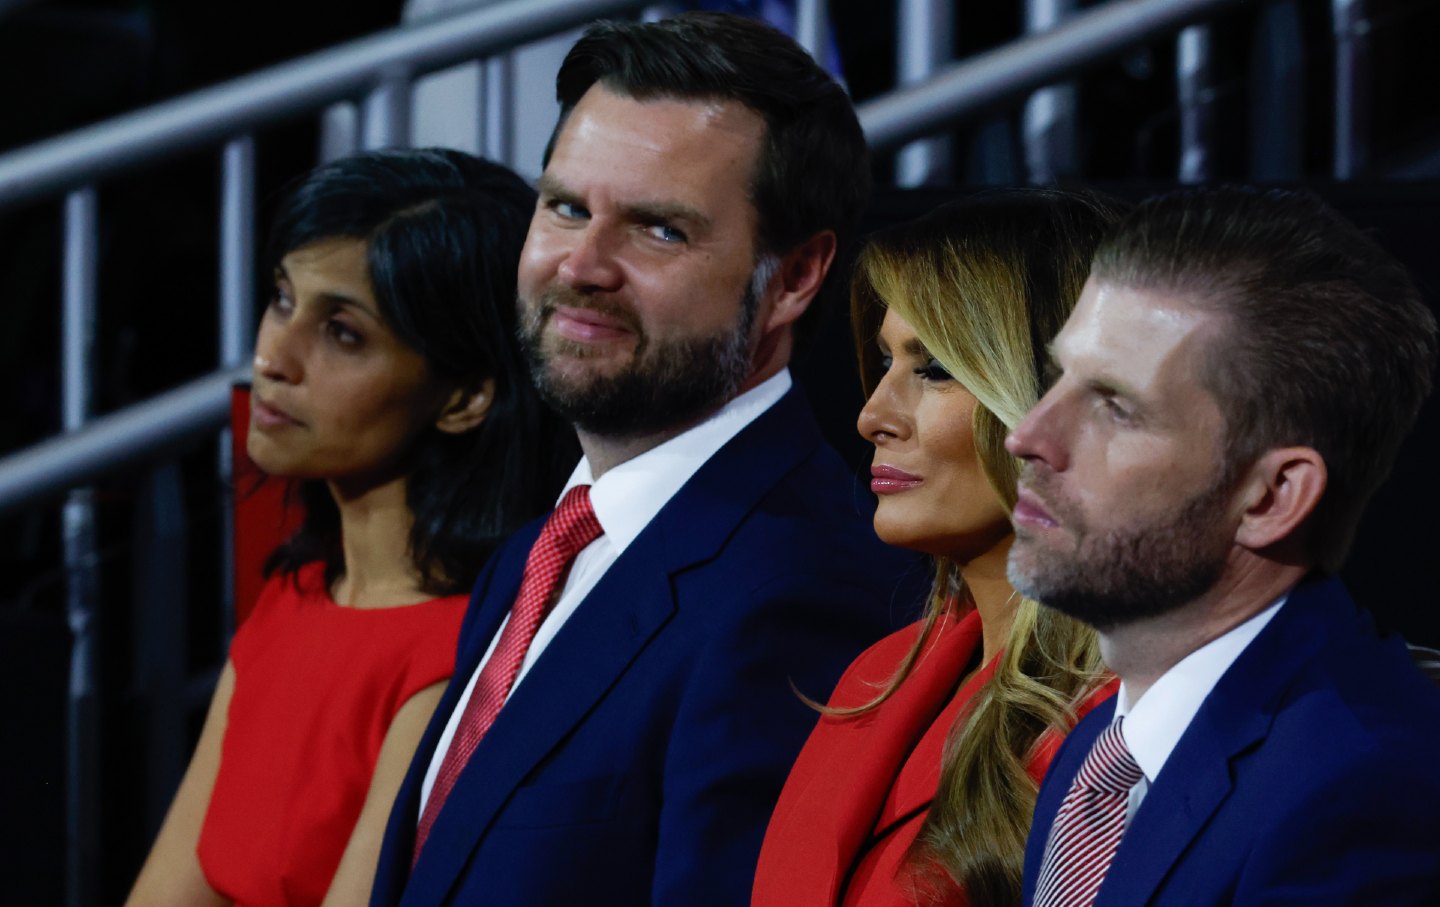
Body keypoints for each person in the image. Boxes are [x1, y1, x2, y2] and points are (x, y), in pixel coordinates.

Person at [370, 12, 920, 907]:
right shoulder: (540, 550)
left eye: (659, 230)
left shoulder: (800, 589)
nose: (583, 264)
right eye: (565, 207)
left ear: (792, 278)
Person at [125, 149, 577, 907]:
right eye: (280, 299)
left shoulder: (458, 657)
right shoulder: (296, 592)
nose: (273, 357)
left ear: (465, 396)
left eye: (342, 333)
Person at [1009, 186, 1440, 906]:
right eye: (1060, 376)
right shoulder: (1095, 752)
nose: (1028, 434)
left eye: (1116, 405)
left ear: (1271, 498)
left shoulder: (1363, 786)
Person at [752, 190, 1123, 907]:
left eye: (933, 369)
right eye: (885, 361)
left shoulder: (1129, 728)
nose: (871, 416)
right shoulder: (877, 675)